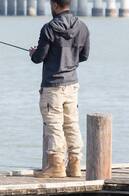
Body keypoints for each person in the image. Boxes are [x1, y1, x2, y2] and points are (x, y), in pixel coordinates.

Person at [29, 0, 90, 178]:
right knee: (72, 124)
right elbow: (84, 56)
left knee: (54, 125)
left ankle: (56, 166)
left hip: (52, 86)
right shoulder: (82, 27)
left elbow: (38, 58)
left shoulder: (49, 28)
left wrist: (34, 53)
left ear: (55, 5)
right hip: (72, 84)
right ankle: (75, 165)